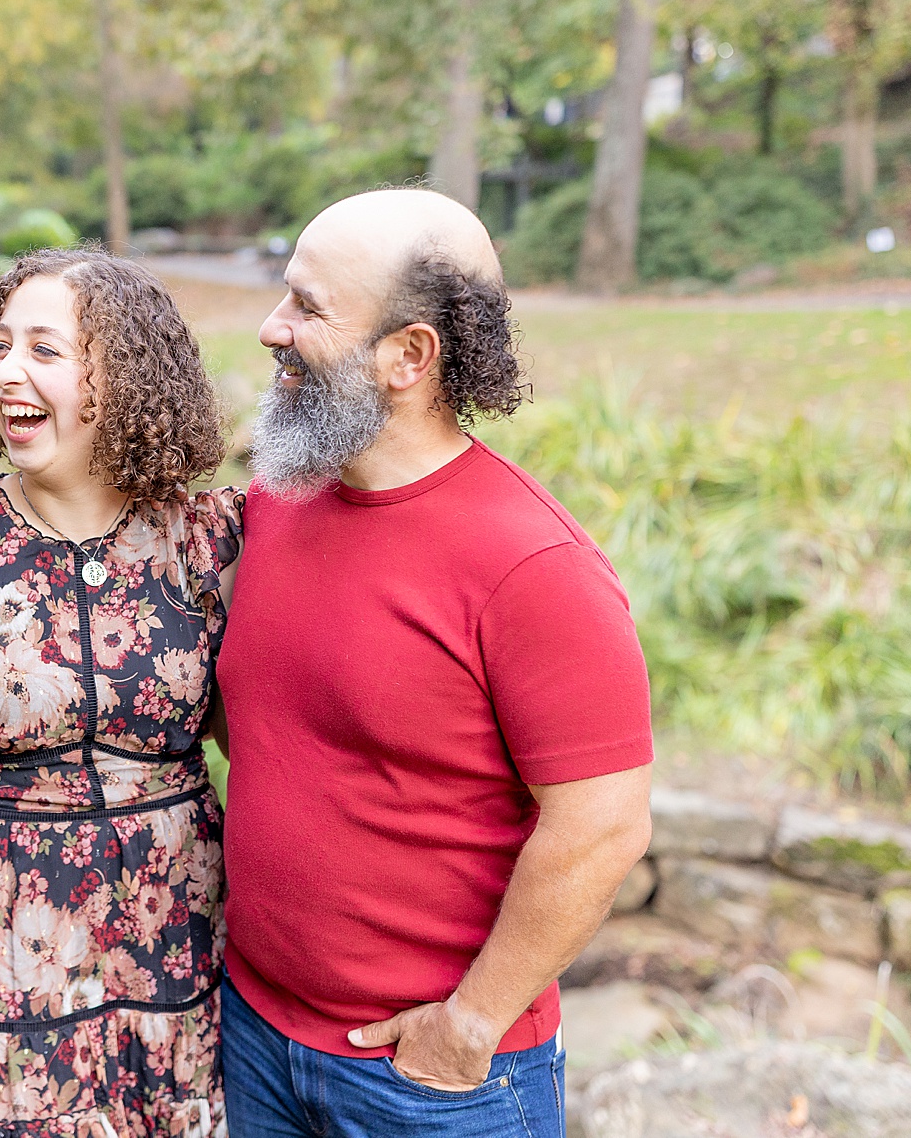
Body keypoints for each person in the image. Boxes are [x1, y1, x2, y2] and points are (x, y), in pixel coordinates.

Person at [215, 189, 654, 1138]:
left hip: (428, 1082)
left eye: (307, 307)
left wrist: (469, 1025)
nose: (270, 328)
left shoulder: (536, 567)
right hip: (253, 1032)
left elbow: (604, 822)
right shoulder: (279, 498)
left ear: (409, 355)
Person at [0, 249, 241, 1138]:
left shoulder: (207, 541)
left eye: (45, 350)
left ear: (123, 377)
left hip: (178, 920)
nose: (7, 369)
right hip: (4, 926)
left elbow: (267, 744)